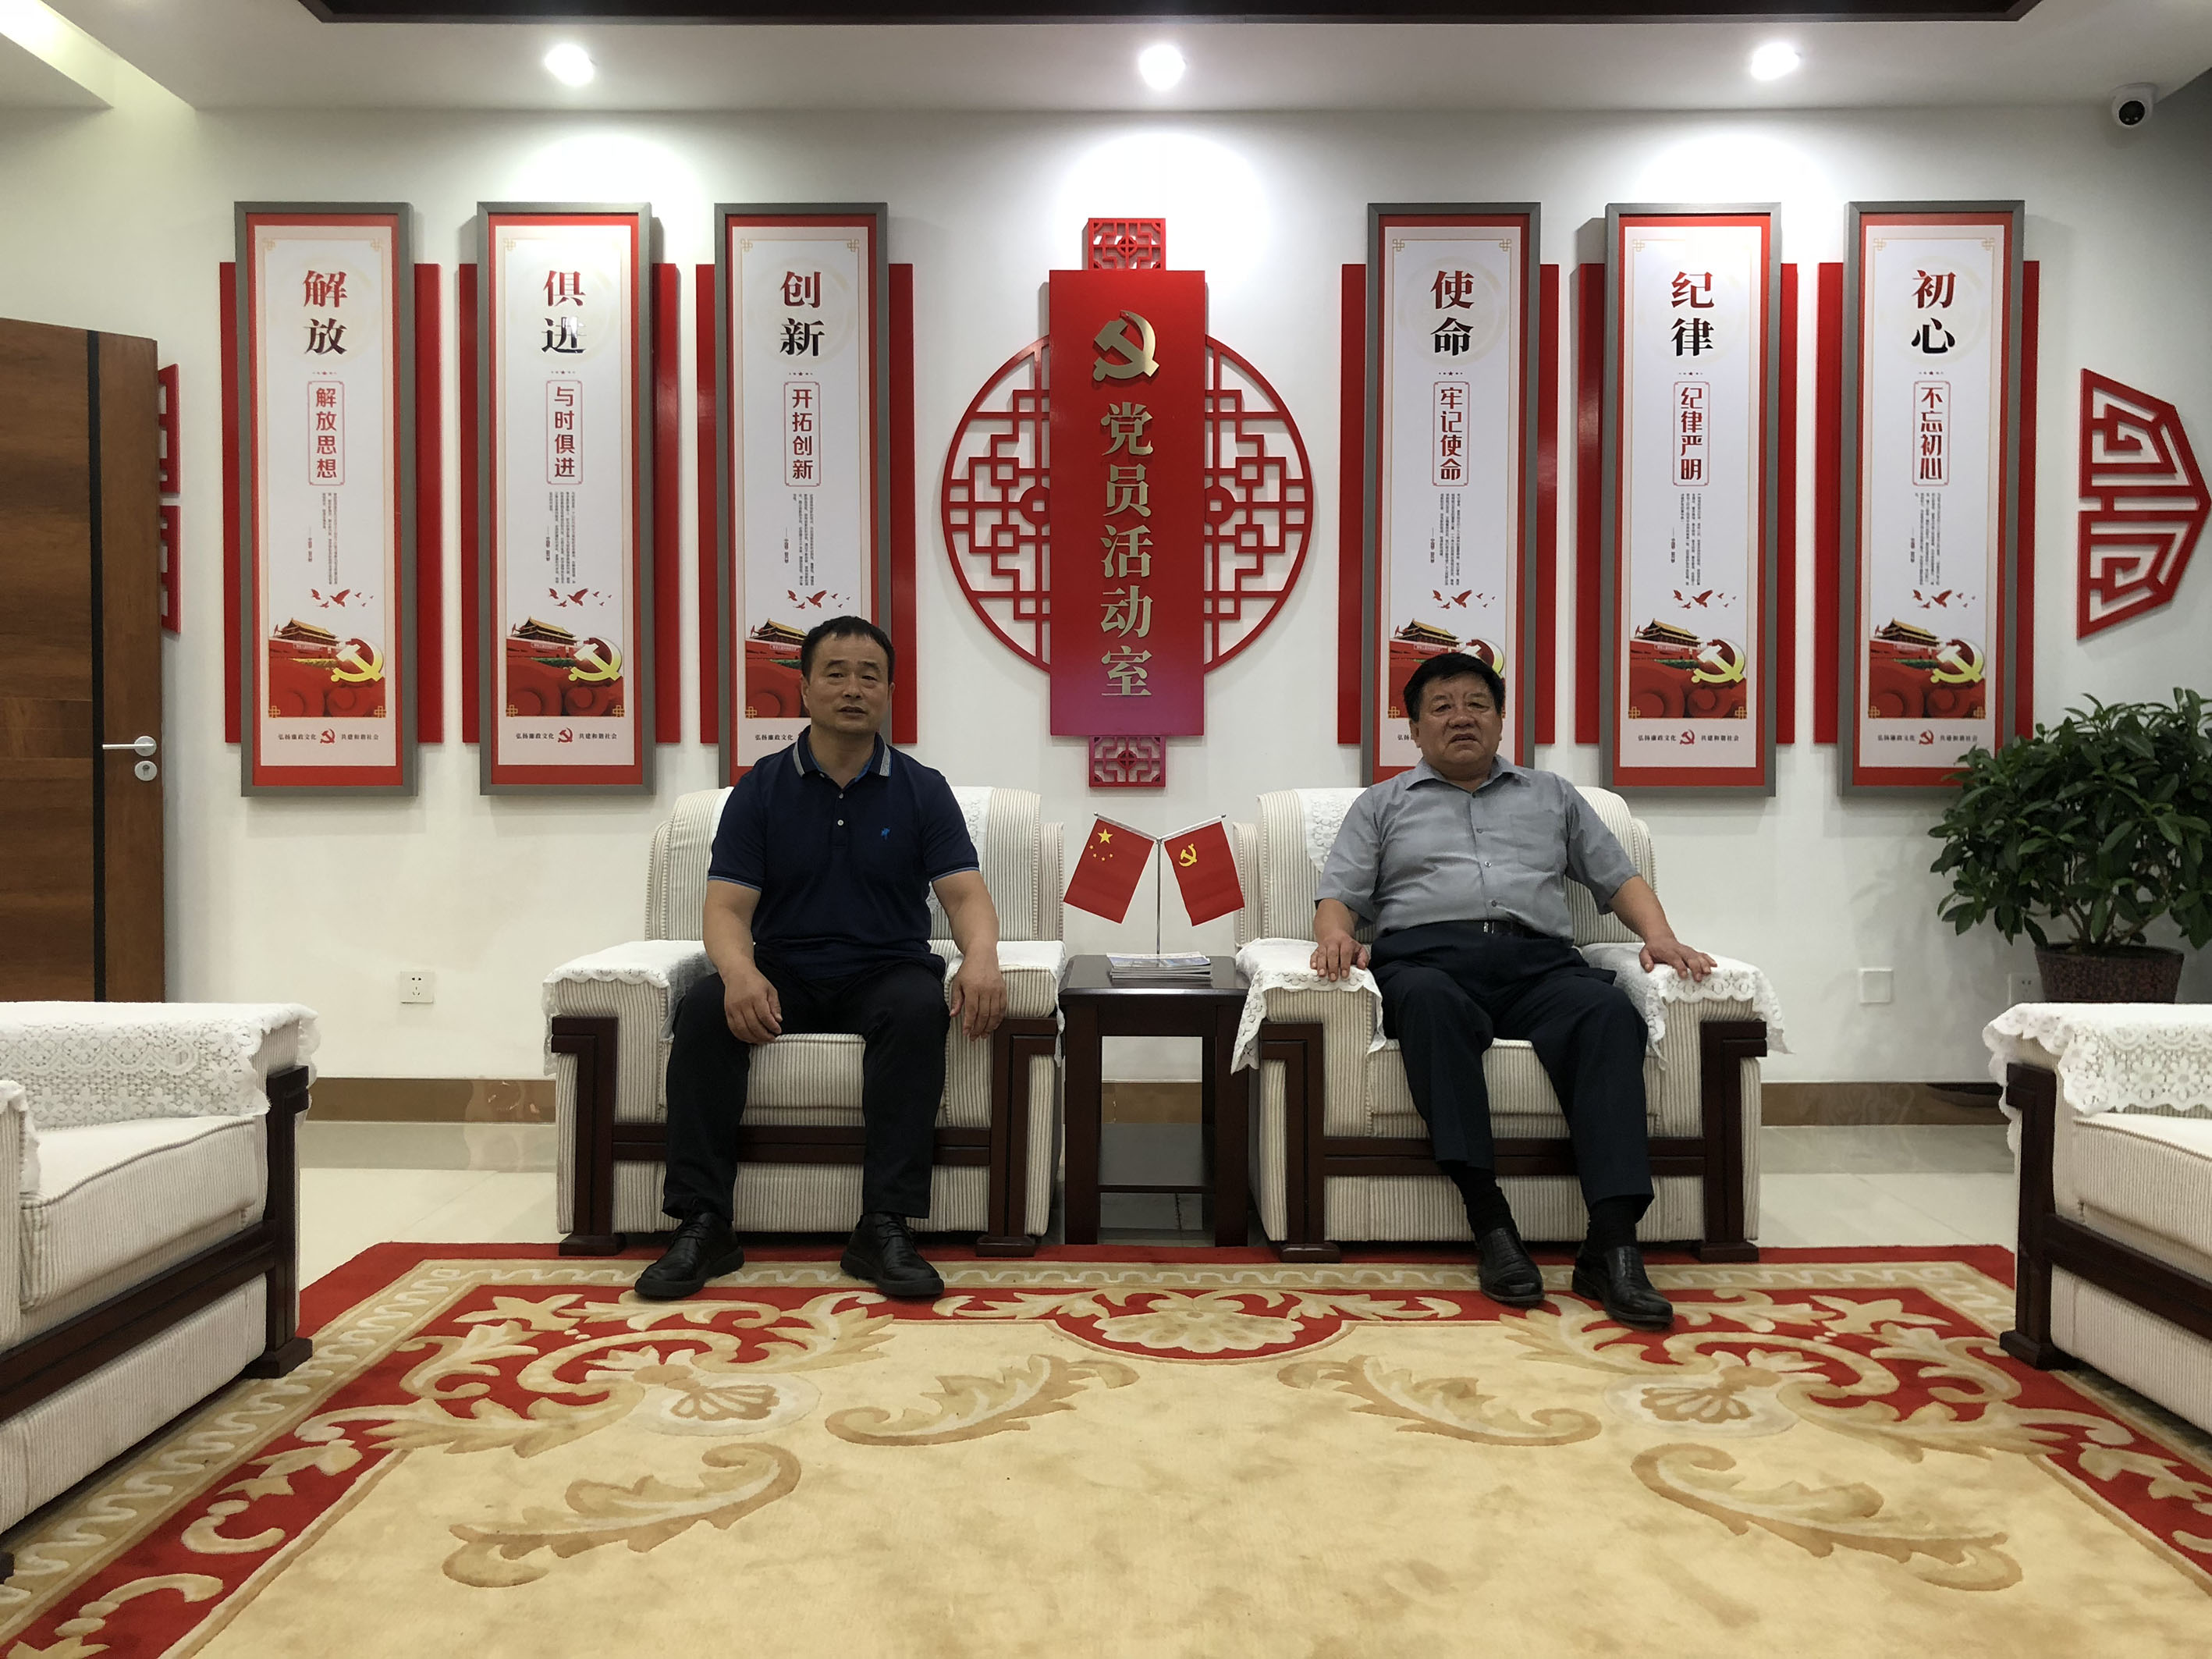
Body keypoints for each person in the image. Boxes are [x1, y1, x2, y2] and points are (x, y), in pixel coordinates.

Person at [1312, 651, 1715, 1330]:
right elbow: (1339, 896)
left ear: (1500, 720)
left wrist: (1661, 936)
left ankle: (1613, 1245)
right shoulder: (1380, 804)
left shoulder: (1553, 795)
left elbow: (1616, 878)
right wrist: (1334, 938)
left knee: (1606, 1013)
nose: (1460, 718)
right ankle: (1492, 1225)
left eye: (1476, 703)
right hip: (1429, 962)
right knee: (1430, 1007)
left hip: (1538, 965)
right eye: (1441, 707)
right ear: (1413, 728)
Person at [636, 616, 1006, 1302]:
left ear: (889, 692)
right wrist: (740, 974)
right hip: (784, 969)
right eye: (835, 674)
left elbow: (963, 894)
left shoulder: (923, 789)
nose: (852, 689)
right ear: (805, 689)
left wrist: (981, 955)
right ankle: (702, 1222)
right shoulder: (760, 789)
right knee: (704, 1009)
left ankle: (884, 1225)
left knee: (917, 1008)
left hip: (885, 967)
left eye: (869, 676)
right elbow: (726, 910)